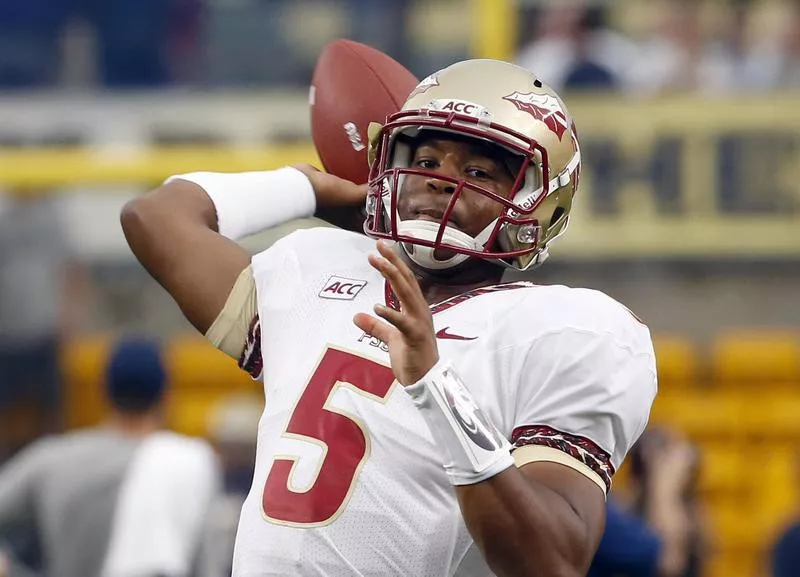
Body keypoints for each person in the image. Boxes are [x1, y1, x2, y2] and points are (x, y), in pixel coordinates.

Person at [121, 58, 657, 576]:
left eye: (478, 171)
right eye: (425, 162)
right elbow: (155, 217)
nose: (441, 181)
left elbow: (552, 562)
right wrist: (308, 187)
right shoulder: (317, 269)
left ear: (540, 204)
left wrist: (435, 388)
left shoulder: (572, 330)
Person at [0, 336, 219, 577]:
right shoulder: (187, 462)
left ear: (103, 391)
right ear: (165, 395)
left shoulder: (52, 460)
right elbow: (207, 562)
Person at [588, 428, 706, 577]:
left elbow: (673, 564)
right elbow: (665, 560)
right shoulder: (607, 517)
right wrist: (663, 490)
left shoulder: (693, 524)